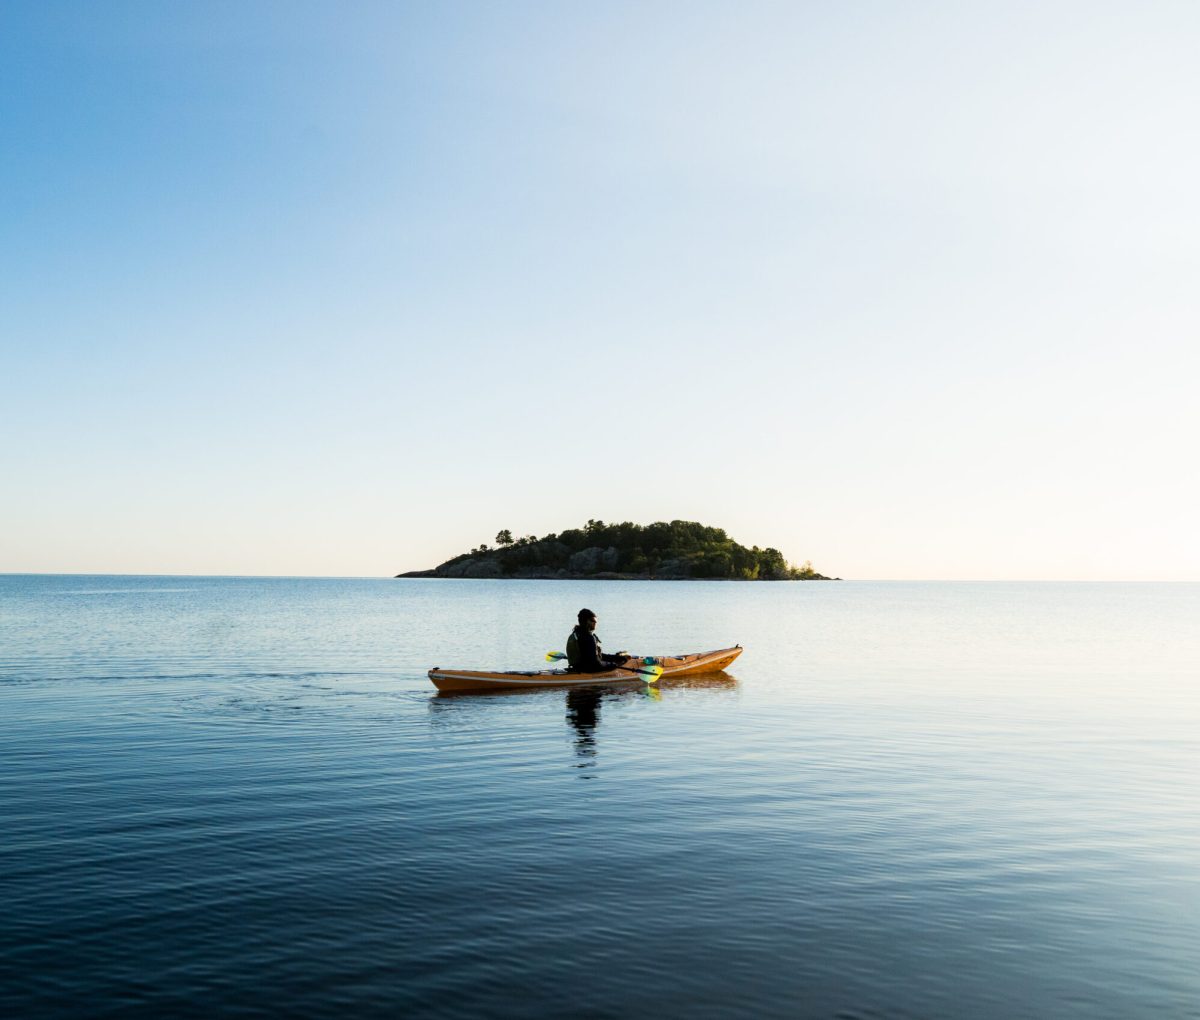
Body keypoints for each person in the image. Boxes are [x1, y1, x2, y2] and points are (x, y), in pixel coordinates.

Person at [565, 609, 629, 673]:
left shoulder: (576, 634)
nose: (595, 622)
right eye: (593, 620)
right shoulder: (588, 638)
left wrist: (617, 658)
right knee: (622, 662)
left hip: (577, 668)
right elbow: (596, 664)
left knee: (619, 659)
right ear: (586, 621)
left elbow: (596, 656)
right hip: (589, 670)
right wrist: (614, 664)